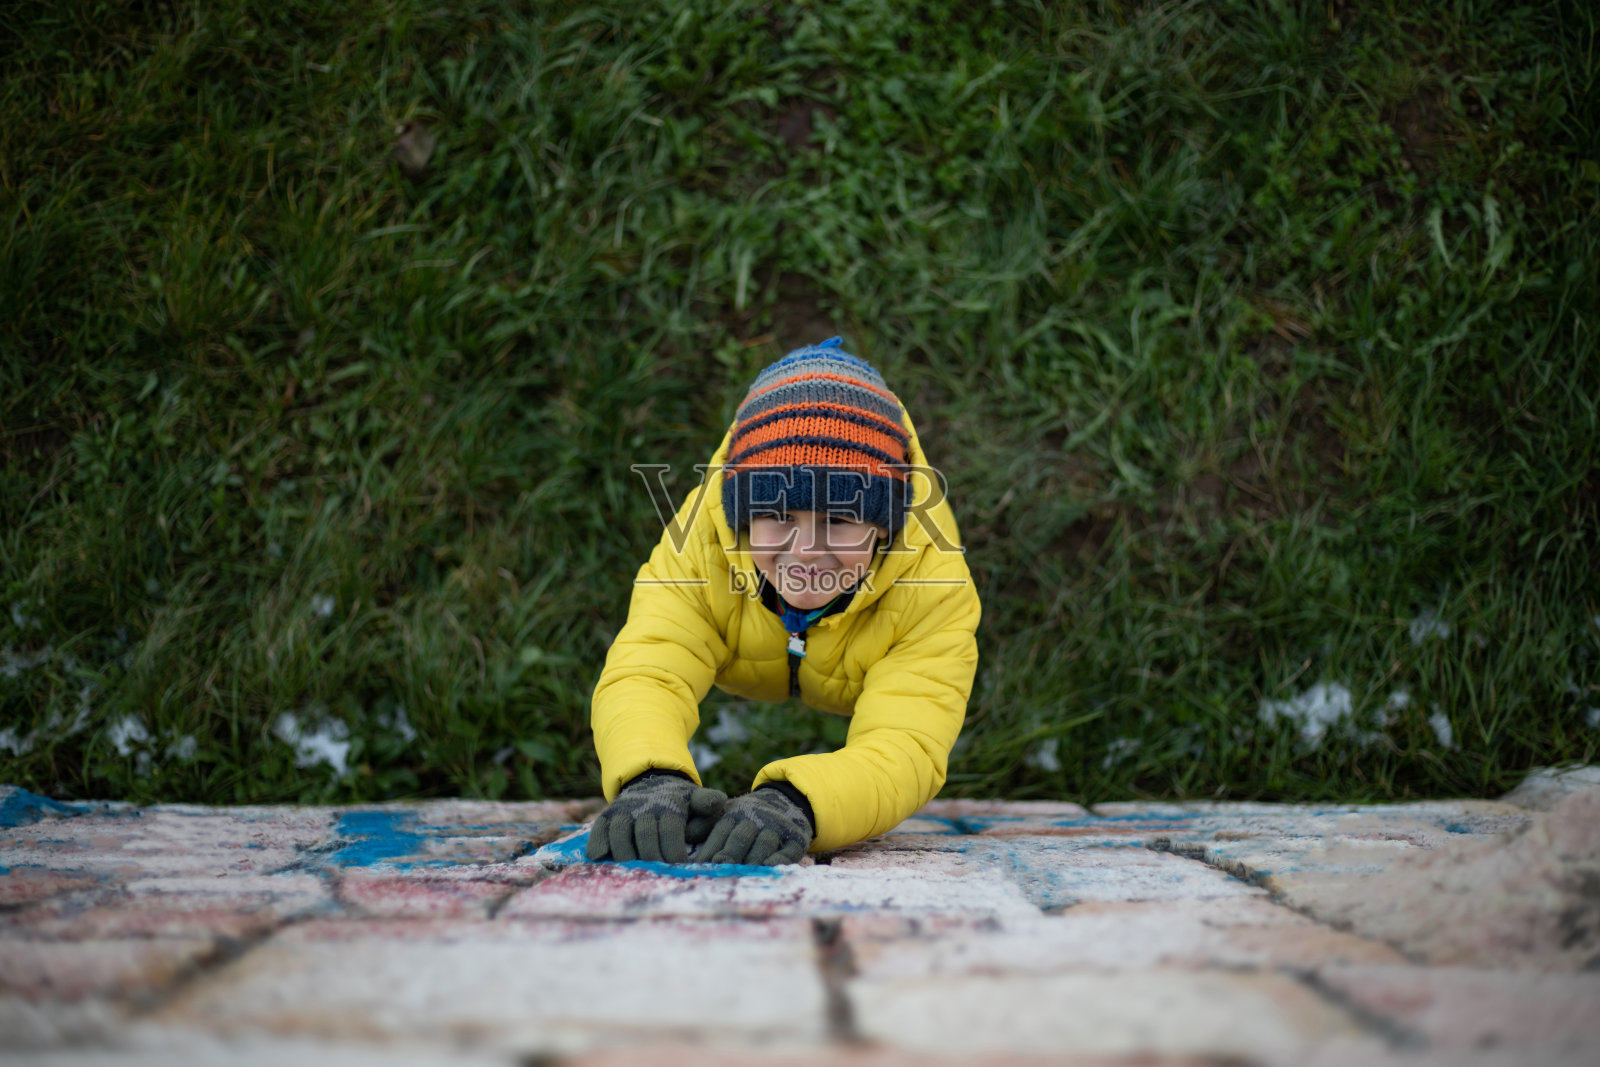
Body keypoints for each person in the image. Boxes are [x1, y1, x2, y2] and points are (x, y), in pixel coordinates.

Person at [586, 337, 981, 865]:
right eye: (777, 516)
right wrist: (648, 775)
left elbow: (907, 742)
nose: (807, 551)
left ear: (883, 528)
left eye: (840, 521)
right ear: (740, 515)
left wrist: (801, 803)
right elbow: (648, 671)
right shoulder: (699, 553)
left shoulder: (932, 588)